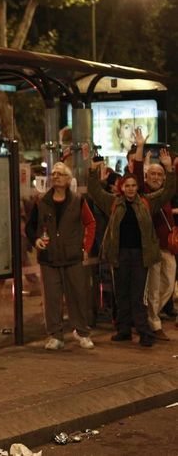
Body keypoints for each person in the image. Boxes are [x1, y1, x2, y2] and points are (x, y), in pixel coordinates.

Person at [88, 145, 176, 347]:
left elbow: (168, 190)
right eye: (126, 186)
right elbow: (94, 191)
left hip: (140, 255)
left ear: (137, 188)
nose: (130, 189)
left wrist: (169, 168)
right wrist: (93, 170)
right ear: (121, 187)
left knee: (138, 295)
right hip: (119, 254)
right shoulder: (113, 202)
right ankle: (124, 330)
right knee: (122, 294)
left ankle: (145, 332)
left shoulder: (147, 201)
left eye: (133, 186)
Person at [26, 162, 96, 350]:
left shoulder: (78, 200)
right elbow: (30, 227)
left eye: (60, 174)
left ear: (68, 179)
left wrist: (85, 247)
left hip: (73, 257)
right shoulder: (41, 201)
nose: (55, 176)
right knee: (52, 299)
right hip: (49, 258)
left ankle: (82, 332)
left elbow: (90, 223)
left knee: (78, 297)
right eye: (53, 174)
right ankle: (55, 335)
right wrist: (36, 241)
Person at [127, 128, 176, 341]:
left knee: (168, 282)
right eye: (152, 174)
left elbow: (174, 184)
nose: (156, 177)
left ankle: (152, 316)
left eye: (160, 174)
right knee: (154, 287)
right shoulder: (144, 193)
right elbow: (136, 172)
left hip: (168, 246)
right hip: (152, 248)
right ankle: (153, 323)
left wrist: (169, 167)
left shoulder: (165, 192)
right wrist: (139, 147)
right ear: (146, 177)